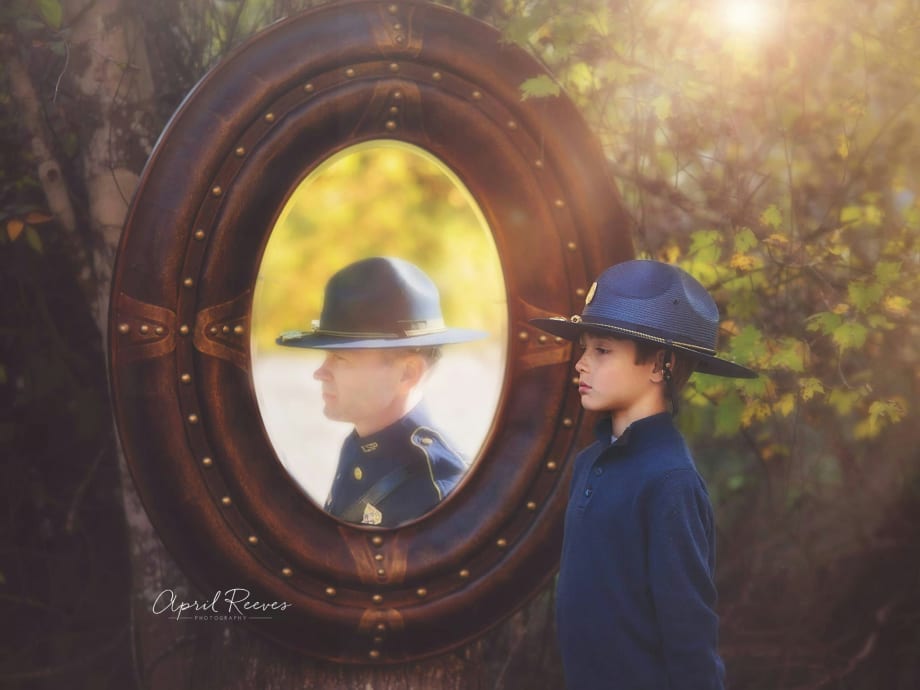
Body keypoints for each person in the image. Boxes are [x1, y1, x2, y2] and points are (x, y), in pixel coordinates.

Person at [531, 259, 757, 690]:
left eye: (601, 350)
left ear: (660, 365)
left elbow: (690, 637)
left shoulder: (671, 483)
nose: (580, 364)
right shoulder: (588, 463)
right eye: (583, 349)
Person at [277, 256, 485, 527]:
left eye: (340, 358)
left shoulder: (440, 490)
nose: (320, 372)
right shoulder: (358, 444)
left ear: (408, 373)